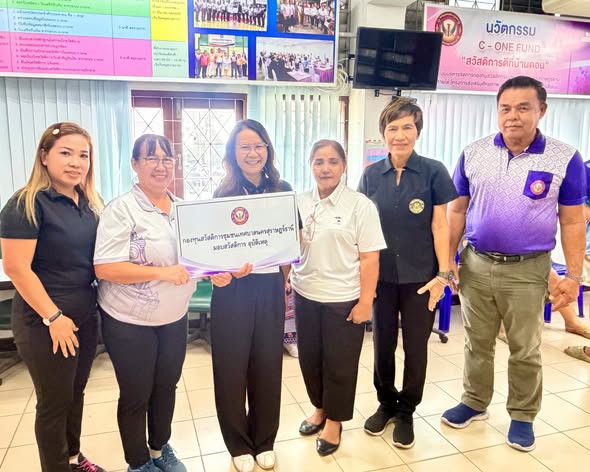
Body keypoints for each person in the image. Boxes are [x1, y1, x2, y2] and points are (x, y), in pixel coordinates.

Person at [442, 76, 587, 452]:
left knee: (525, 347)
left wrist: (573, 276)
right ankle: (474, 401)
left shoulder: (564, 158)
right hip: (476, 264)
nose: (513, 116)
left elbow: (573, 221)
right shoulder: (473, 153)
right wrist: (449, 261)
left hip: (528, 270)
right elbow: (457, 211)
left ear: (542, 110)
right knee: (477, 341)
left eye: (524, 107)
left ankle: (522, 415)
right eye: (505, 108)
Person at [0, 122, 105, 472]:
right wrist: (54, 317)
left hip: (85, 315)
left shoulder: (89, 204)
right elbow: (17, 268)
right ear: (44, 156)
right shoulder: (26, 203)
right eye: (66, 153)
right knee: (54, 403)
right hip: (45, 321)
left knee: (75, 394)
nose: (76, 162)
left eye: (83, 155)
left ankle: (73, 458)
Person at [358, 98, 457, 449]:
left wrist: (444, 275)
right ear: (383, 133)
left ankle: (406, 410)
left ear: (417, 132)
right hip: (381, 277)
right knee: (382, 344)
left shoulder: (433, 171)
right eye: (392, 128)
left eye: (407, 127)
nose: (399, 135)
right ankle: (386, 402)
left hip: (421, 279)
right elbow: (361, 228)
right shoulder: (371, 175)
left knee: (416, 347)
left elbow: (440, 226)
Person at [94, 134, 195, 472]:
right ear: (135, 164)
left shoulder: (184, 209)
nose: (160, 165)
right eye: (151, 158)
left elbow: (196, 260)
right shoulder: (121, 209)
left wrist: (216, 273)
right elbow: (105, 268)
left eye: (167, 158)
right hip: (129, 320)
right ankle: (137, 463)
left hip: (174, 316)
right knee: (137, 393)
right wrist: (163, 274)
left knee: (166, 386)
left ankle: (159, 448)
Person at [209, 119, 295, 472]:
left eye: (259, 145)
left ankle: (264, 440)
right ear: (233, 153)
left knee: (267, 365)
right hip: (233, 290)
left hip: (270, 287)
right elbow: (211, 247)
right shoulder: (222, 194)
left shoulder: (282, 189)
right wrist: (219, 272)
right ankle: (238, 443)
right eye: (244, 146)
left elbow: (290, 242)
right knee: (231, 367)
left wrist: (284, 282)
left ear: (268, 150)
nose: (253, 152)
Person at [292, 140, 385, 456]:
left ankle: (335, 421)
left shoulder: (360, 206)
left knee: (340, 365)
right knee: (310, 360)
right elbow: (289, 246)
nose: (325, 168)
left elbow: (370, 258)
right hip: (305, 294)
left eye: (332, 161)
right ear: (310, 165)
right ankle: (320, 408)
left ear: (343, 166)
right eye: (318, 161)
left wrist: (365, 302)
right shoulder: (300, 202)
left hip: (343, 299)